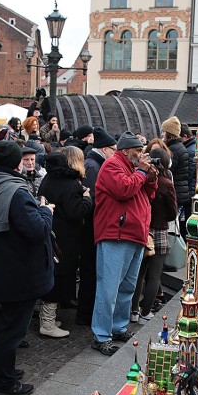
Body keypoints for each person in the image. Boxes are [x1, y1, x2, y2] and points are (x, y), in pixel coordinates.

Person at [0, 141, 55, 395]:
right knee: (12, 329)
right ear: (17, 163)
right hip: (18, 272)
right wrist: (45, 211)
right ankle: (4, 382)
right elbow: (37, 231)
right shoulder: (15, 192)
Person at [91, 132, 157, 356]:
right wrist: (141, 172)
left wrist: (151, 176)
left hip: (134, 234)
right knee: (108, 288)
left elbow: (148, 193)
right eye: (138, 150)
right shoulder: (112, 165)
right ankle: (101, 335)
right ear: (126, 151)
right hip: (116, 235)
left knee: (127, 287)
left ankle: (118, 326)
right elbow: (123, 190)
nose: (141, 154)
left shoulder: (132, 167)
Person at [37, 146, 93, 338]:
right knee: (57, 279)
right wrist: (87, 199)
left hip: (51, 236)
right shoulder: (69, 184)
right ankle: (48, 323)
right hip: (65, 239)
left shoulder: (48, 179)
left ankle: (48, 319)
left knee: (53, 276)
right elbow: (76, 211)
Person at [131, 141, 177, 321]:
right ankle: (145, 312)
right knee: (154, 276)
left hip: (143, 229)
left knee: (139, 275)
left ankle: (134, 311)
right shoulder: (166, 183)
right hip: (159, 231)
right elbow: (173, 213)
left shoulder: (142, 179)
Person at [77, 127, 116, 327]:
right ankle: (84, 314)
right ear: (104, 149)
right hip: (92, 227)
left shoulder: (95, 163)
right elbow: (94, 199)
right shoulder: (93, 166)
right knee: (90, 270)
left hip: (94, 226)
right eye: (113, 149)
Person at [160, 117, 191, 235]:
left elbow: (168, 170)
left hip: (176, 191)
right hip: (180, 191)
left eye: (164, 131)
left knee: (172, 228)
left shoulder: (173, 150)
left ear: (169, 133)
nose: (162, 134)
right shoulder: (179, 147)